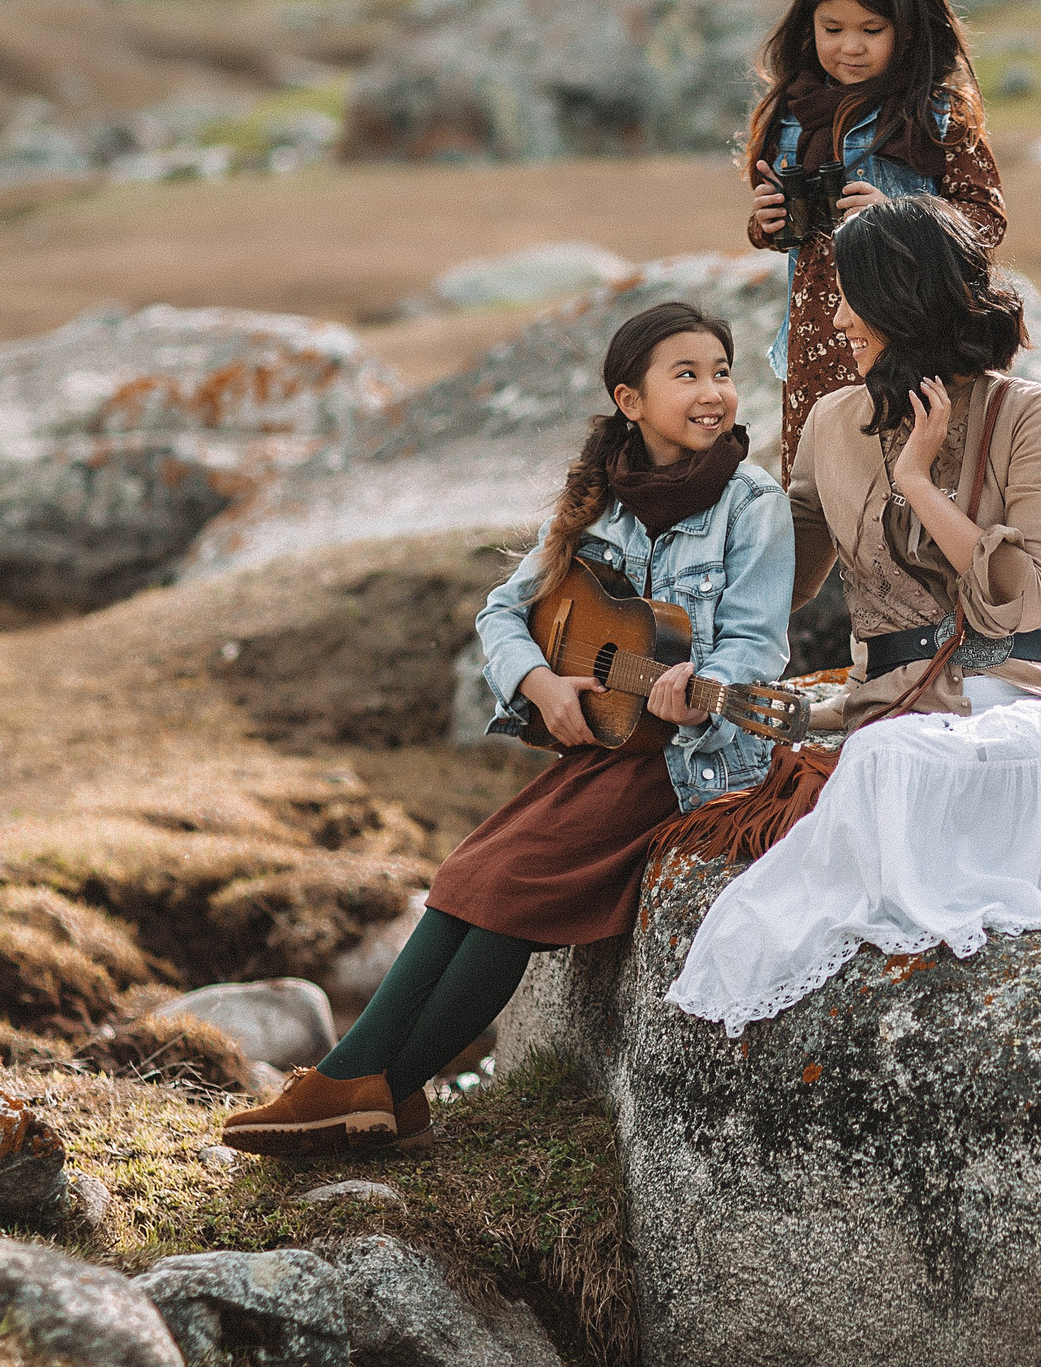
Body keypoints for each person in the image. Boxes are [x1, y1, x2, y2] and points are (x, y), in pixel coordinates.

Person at [665, 197, 1041, 1037]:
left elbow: (1028, 597)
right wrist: (692, 516)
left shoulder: (1031, 413)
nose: (836, 319)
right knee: (890, 762)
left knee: (943, 762)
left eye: (851, 297)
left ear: (905, 302)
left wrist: (916, 481)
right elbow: (777, 583)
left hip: (1019, 694)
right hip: (897, 713)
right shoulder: (831, 421)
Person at [223, 302, 793, 1155]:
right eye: (688, 374)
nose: (713, 392)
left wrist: (701, 683)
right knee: (465, 874)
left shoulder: (755, 504)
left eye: (722, 371)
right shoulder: (600, 504)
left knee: (506, 888)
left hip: (693, 760)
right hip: (607, 748)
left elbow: (754, 646)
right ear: (629, 400)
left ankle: (364, 1086)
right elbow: (505, 610)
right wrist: (536, 678)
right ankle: (371, 1090)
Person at [741, 0, 1006, 479]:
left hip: (913, 344)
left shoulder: (936, 116)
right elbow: (787, 234)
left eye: (871, 28)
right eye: (831, 28)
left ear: (907, 31)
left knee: (912, 489)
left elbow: (986, 218)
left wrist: (901, 221)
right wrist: (767, 224)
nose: (850, 46)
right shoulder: (791, 113)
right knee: (817, 492)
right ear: (806, 26)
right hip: (818, 339)